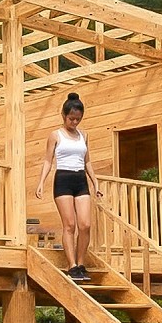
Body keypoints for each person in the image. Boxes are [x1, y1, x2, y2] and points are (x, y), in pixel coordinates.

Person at [35, 92, 103, 282]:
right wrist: (41, 182)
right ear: (64, 116)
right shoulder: (55, 135)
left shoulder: (84, 135)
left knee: (85, 224)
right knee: (70, 225)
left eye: (78, 119)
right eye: (72, 118)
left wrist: (95, 182)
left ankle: (81, 263)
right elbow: (48, 161)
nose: (74, 122)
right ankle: (71, 265)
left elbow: (87, 161)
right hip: (63, 179)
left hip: (80, 180)